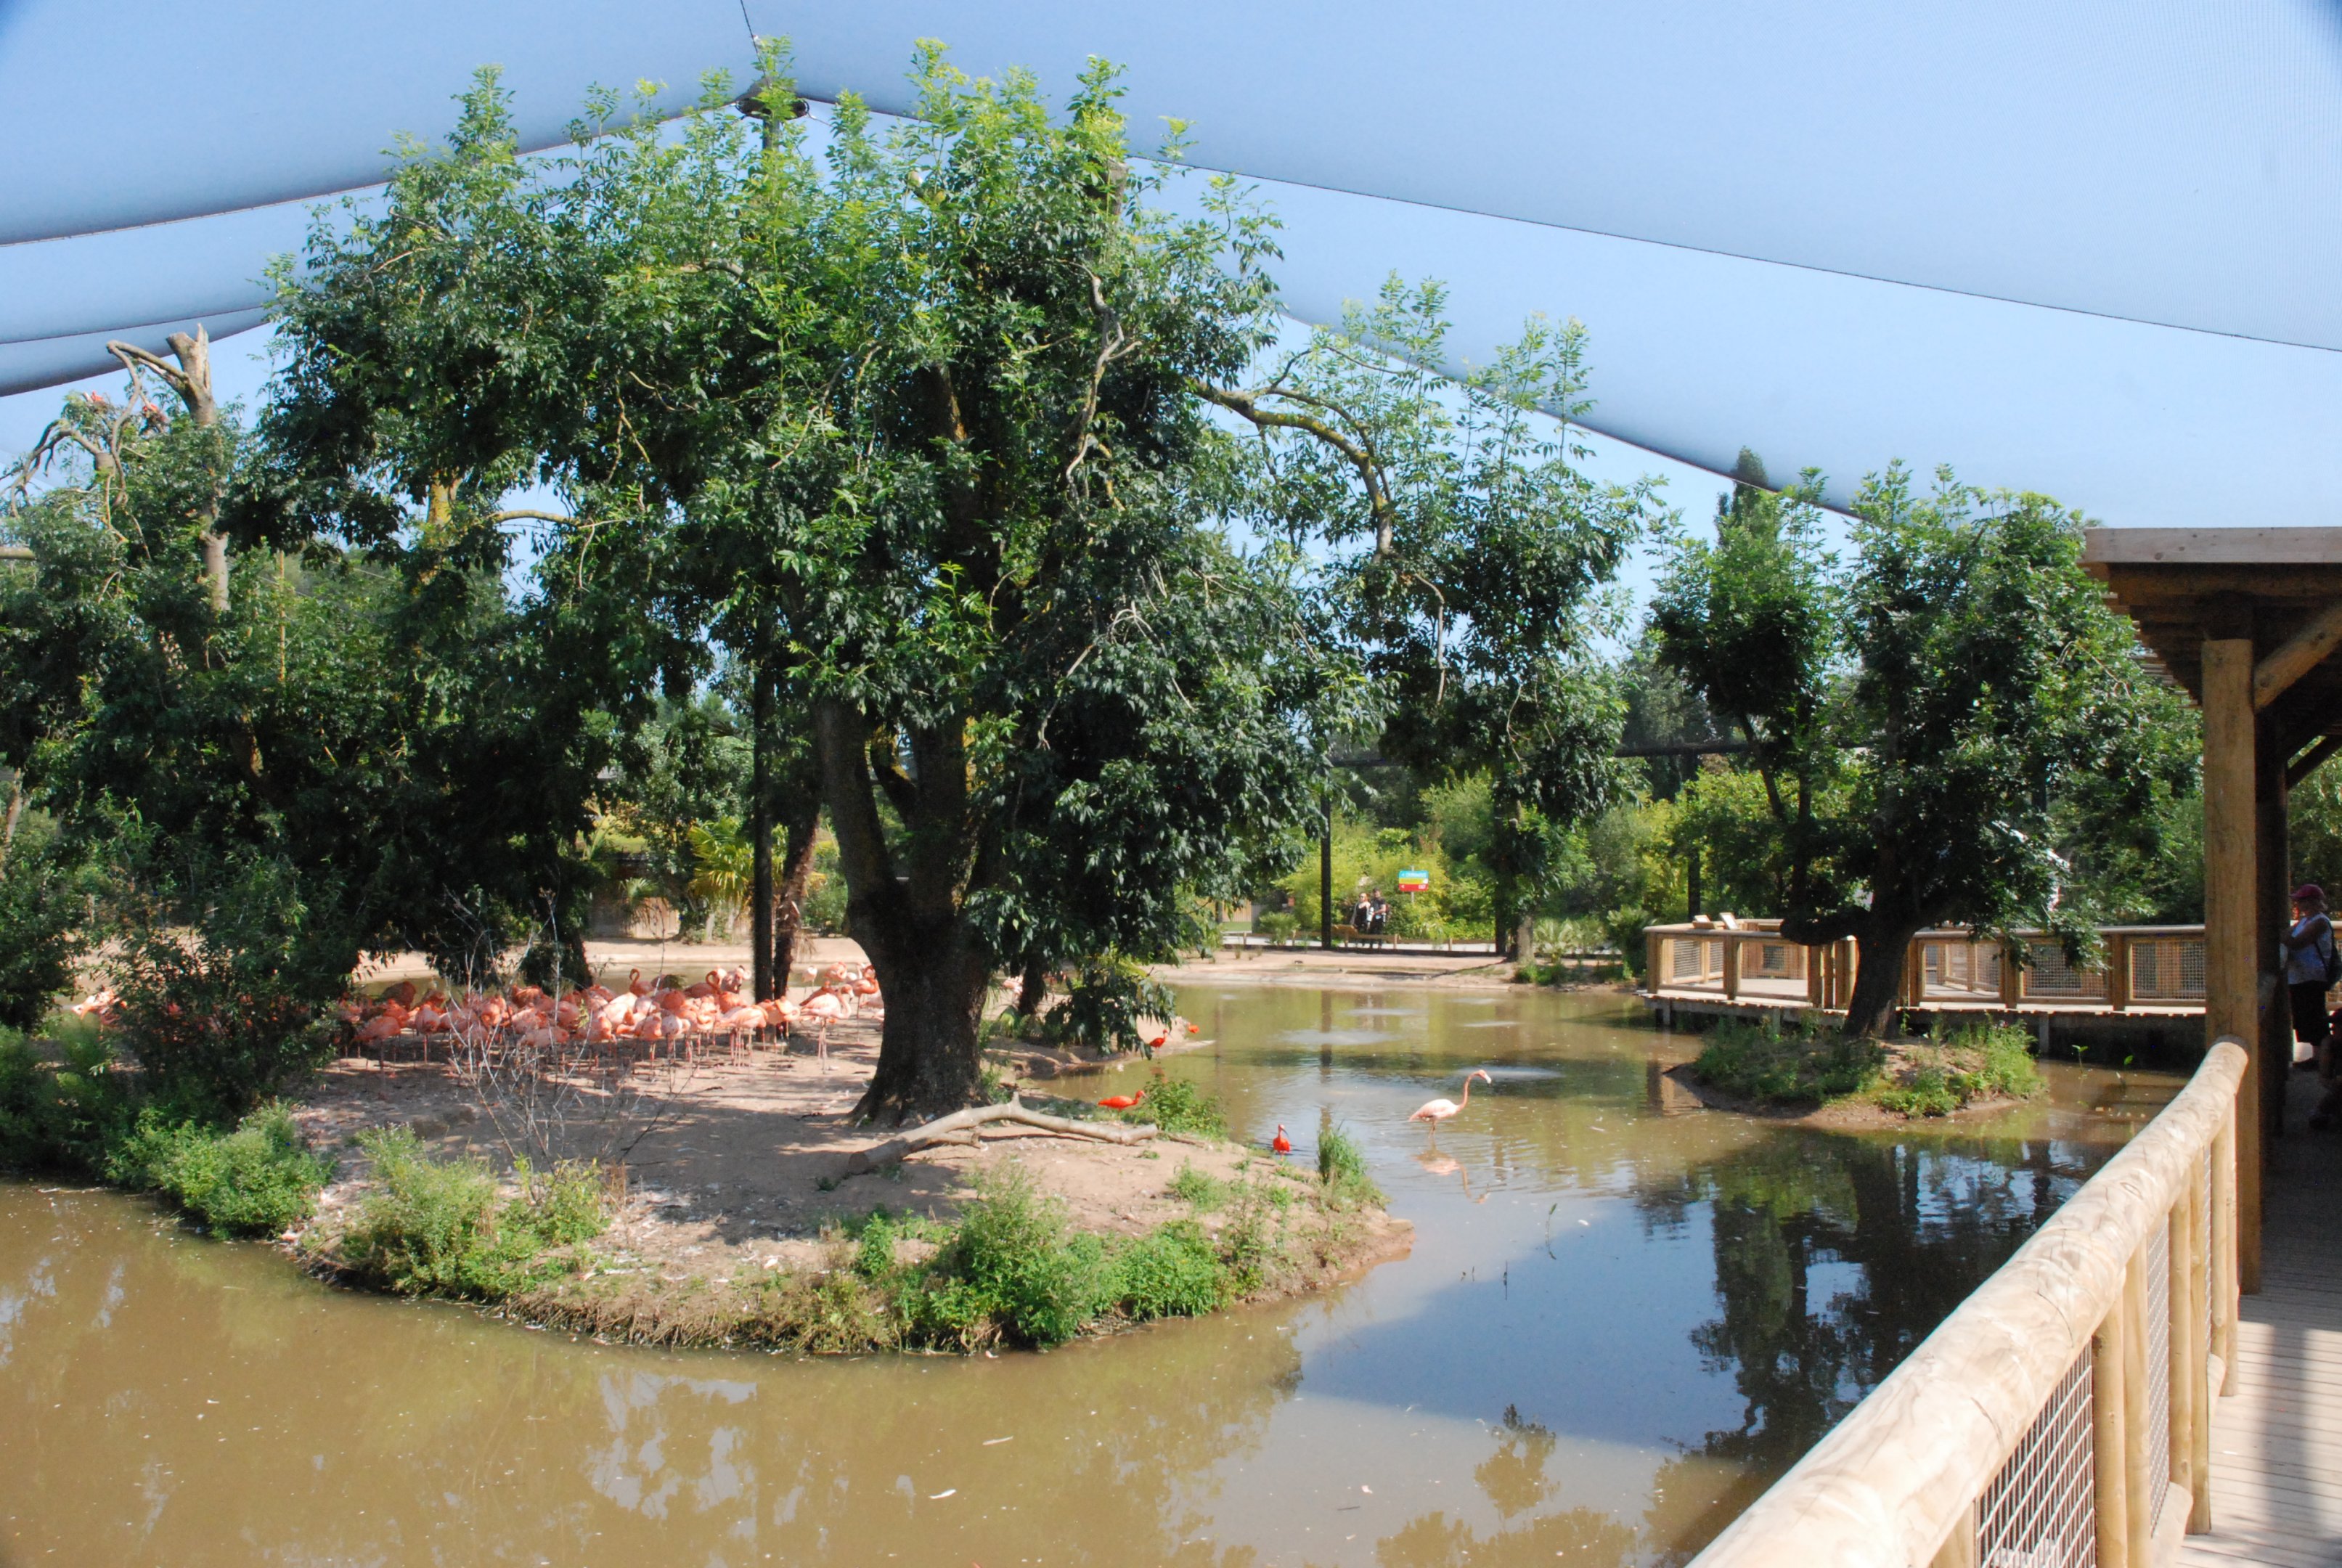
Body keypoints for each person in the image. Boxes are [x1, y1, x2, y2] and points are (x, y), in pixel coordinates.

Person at [2277, 883, 2334, 1077]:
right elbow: (2289, 936)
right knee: (2305, 1018)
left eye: (2301, 900)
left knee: (2316, 1018)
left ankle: (2324, 1059)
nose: (2298, 903)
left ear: (2312, 902)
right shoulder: (2303, 922)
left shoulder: (2320, 922)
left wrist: (2281, 936)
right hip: (2299, 977)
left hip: (2313, 977)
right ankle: (2317, 1057)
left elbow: (2296, 942)